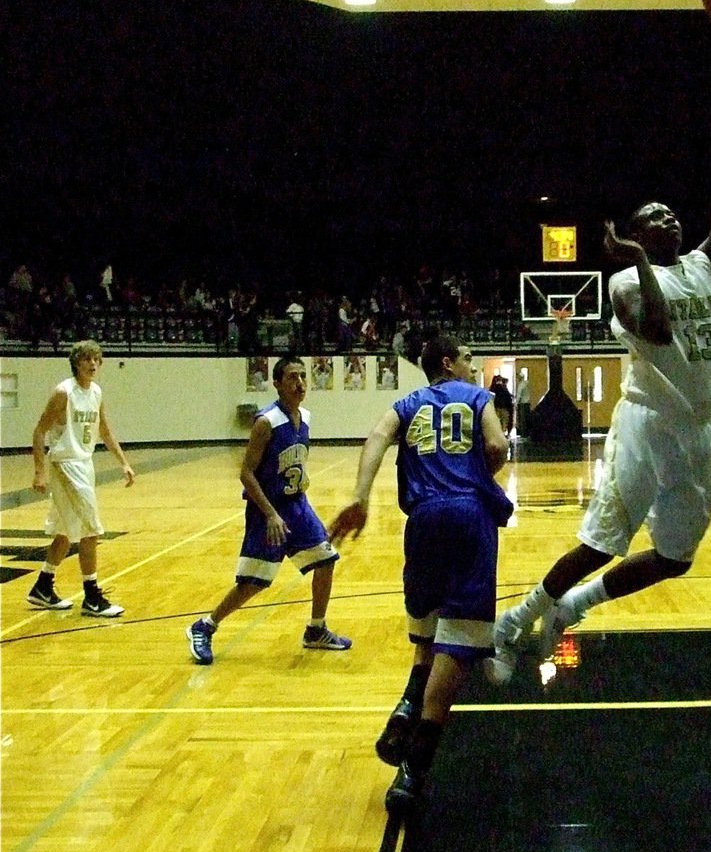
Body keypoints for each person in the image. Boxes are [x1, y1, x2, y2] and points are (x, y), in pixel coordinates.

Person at [490, 48, 711, 683]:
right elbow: (657, 325)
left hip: (698, 429)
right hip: (645, 425)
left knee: (675, 557)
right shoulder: (623, 283)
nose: (670, 219)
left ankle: (570, 609)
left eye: (673, 214)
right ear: (637, 237)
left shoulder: (702, 263)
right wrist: (638, 258)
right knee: (600, 542)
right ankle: (517, 619)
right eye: (655, 219)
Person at [329, 336, 511, 816]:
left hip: (423, 520)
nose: (474, 367)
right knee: (460, 646)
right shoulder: (477, 397)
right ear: (449, 363)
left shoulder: (407, 403)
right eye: (469, 358)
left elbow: (376, 437)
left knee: (427, 630)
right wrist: (478, 475)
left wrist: (361, 497)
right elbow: (496, 444)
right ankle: (411, 774)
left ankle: (407, 705)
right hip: (469, 517)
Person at [185, 356, 351, 664]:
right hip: (268, 512)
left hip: (297, 506)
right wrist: (272, 514)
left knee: (326, 560)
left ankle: (316, 630)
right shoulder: (266, 422)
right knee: (253, 583)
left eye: (303, 377)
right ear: (277, 384)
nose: (300, 383)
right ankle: (204, 626)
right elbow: (246, 473)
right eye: (292, 377)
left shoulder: (306, 417)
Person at [29, 339, 134, 617]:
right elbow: (39, 431)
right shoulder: (64, 392)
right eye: (87, 359)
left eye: (97, 360)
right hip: (65, 464)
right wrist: (40, 471)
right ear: (77, 362)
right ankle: (92, 596)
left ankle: (42, 586)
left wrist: (123, 463)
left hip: (84, 464)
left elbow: (106, 431)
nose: (93, 364)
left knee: (65, 530)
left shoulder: (96, 392)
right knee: (91, 530)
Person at [514, 369, 531, 438]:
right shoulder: (526, 384)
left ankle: (523, 433)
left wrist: (516, 404)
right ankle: (526, 432)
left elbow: (519, 395)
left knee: (522, 420)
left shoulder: (521, 385)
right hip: (527, 403)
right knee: (526, 419)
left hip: (522, 404)